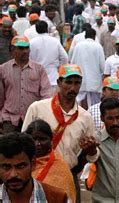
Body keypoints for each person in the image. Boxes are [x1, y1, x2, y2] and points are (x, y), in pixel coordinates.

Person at [22, 64, 99, 201]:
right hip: (36, 176)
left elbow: (92, 156)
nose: (73, 88)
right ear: (59, 82)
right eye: (68, 82)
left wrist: (92, 150)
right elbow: (23, 143)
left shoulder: (85, 117)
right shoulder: (37, 108)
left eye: (77, 83)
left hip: (68, 176)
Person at [0, 36, 52, 133]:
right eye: (20, 48)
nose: (25, 51)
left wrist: (43, 114)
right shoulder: (3, 69)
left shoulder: (39, 69)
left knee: (31, 147)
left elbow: (46, 94)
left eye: (27, 48)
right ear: (12, 50)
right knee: (10, 146)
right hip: (9, 119)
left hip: (33, 119)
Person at [0, 132, 69, 202]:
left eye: (20, 166)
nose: (13, 174)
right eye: (6, 167)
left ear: (33, 164)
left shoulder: (58, 198)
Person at [25, 119, 76, 202]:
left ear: (51, 140)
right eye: (34, 139)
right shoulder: (21, 162)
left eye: (42, 139)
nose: (38, 144)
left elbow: (65, 196)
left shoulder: (60, 166)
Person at [70, 28, 105, 109]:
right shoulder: (98, 46)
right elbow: (103, 66)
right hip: (95, 80)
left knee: (79, 103)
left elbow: (73, 63)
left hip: (80, 80)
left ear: (85, 36)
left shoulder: (78, 46)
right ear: (94, 36)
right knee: (95, 105)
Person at [29, 21, 68, 91]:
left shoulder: (31, 43)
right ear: (47, 29)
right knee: (53, 101)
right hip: (53, 78)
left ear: (36, 30)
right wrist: (59, 68)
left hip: (37, 79)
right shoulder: (55, 41)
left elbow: (28, 60)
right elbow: (65, 57)